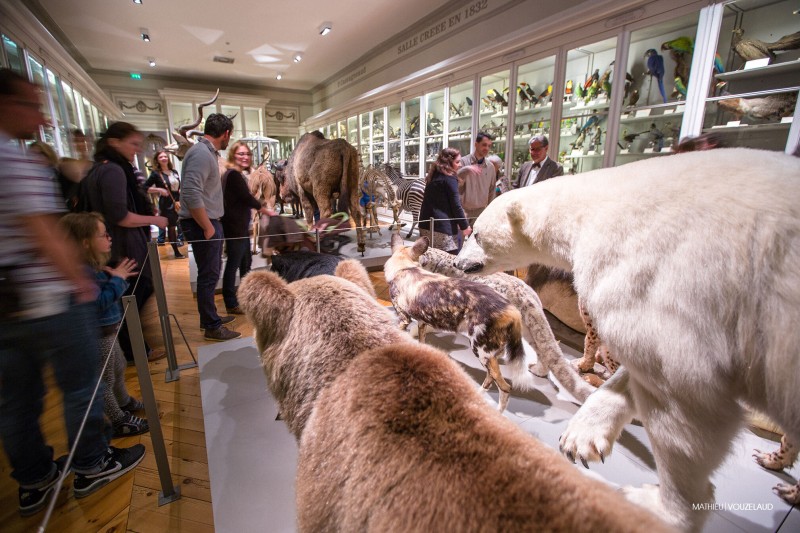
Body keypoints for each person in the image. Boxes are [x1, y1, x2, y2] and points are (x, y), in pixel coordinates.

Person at [0, 68, 145, 517]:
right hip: (47, 298)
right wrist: (82, 282)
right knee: (82, 385)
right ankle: (91, 463)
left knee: (16, 401)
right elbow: (42, 229)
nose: (43, 118)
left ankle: (34, 479)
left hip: (5, 305)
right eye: (32, 105)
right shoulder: (15, 161)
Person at [83, 121, 168, 363]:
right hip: (125, 247)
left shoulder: (101, 168)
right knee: (133, 295)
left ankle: (132, 349)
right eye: (133, 144)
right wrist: (155, 220)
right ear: (114, 142)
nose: (137, 149)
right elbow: (120, 215)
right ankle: (135, 351)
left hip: (117, 245)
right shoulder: (113, 171)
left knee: (130, 296)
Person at [58, 212, 149, 438]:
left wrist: (115, 278)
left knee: (118, 367)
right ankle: (118, 420)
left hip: (108, 332)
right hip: (99, 335)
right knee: (104, 380)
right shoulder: (81, 273)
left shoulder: (94, 270)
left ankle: (124, 402)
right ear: (85, 242)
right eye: (103, 235)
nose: (109, 238)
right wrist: (117, 279)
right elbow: (97, 303)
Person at [178, 113, 241, 341]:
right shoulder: (201, 154)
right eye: (229, 136)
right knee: (209, 274)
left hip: (206, 221)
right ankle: (212, 326)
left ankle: (210, 317)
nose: (228, 140)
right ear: (226, 133)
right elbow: (190, 191)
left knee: (210, 273)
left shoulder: (204, 152)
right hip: (203, 223)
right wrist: (207, 226)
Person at [221, 141, 271, 314]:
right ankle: (231, 302)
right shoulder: (233, 175)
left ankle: (245, 297)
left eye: (247, 154)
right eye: (241, 154)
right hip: (235, 227)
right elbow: (246, 197)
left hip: (239, 227)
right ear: (233, 155)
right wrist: (265, 209)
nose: (245, 157)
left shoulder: (236, 174)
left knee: (245, 262)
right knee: (234, 263)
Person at [418, 147, 471, 254]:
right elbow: (456, 205)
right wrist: (465, 226)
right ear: (448, 162)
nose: (460, 164)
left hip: (426, 225)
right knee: (449, 260)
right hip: (442, 229)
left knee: (430, 258)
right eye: (457, 162)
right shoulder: (449, 178)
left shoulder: (433, 176)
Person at [145, 150, 185, 259]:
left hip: (178, 202)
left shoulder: (174, 171)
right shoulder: (156, 173)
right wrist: (158, 190)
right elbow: (144, 187)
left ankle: (181, 243)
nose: (164, 158)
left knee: (180, 224)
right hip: (167, 204)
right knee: (171, 227)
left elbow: (178, 185)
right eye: (161, 157)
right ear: (157, 160)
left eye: (165, 156)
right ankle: (176, 251)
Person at [459, 132, 497, 223]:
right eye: (484, 145)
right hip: (463, 211)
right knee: (461, 233)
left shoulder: (490, 167)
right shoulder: (463, 162)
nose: (486, 148)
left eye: (489, 146)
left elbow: (492, 190)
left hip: (481, 212)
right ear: (476, 144)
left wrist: (489, 211)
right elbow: (455, 186)